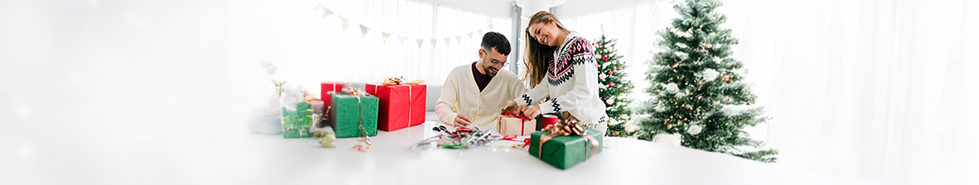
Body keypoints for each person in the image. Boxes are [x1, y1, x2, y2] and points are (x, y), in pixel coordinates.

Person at [503, 11, 608, 131]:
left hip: (589, 123)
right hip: (570, 123)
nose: (539, 39)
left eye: (538, 32)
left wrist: (541, 108)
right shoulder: (556, 56)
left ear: (552, 22)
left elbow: (584, 91)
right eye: (536, 38)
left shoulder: (580, 45)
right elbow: (543, 88)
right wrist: (517, 103)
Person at [436, 32, 528, 128]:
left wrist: (520, 106)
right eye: (494, 61)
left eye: (503, 63)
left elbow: (532, 100)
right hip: (465, 134)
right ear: (481, 53)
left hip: (496, 136)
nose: (498, 67)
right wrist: (452, 118)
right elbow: (442, 105)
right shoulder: (458, 73)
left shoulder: (509, 79)